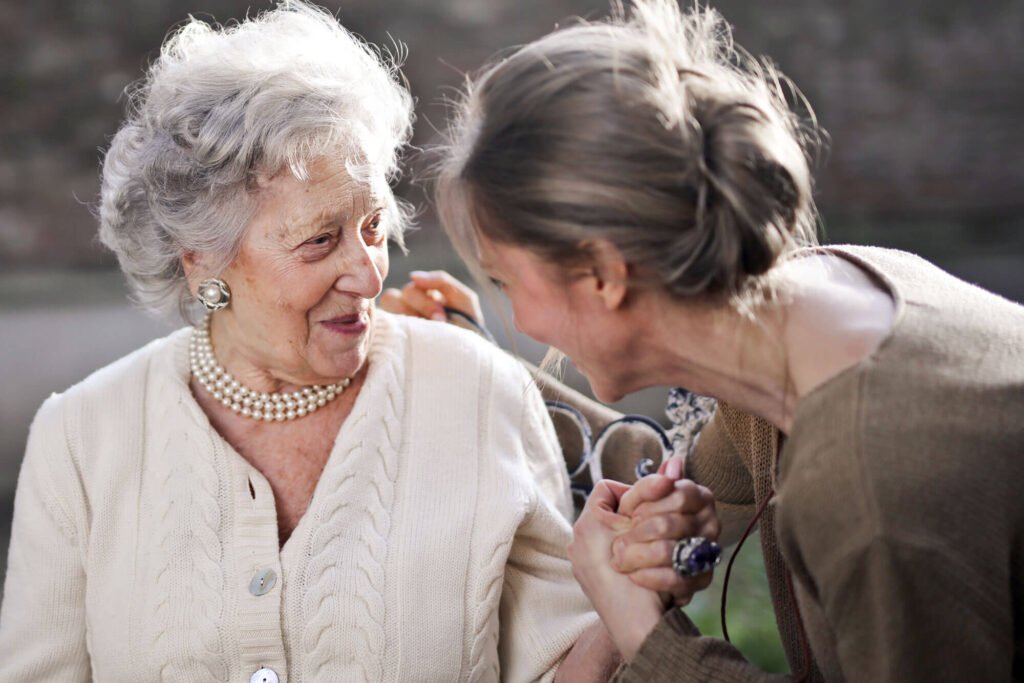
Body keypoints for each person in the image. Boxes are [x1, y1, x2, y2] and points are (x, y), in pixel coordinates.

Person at [0, 3, 699, 680]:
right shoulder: (81, 439)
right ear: (201, 257)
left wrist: (621, 597)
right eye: (319, 241)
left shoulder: (480, 392)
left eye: (372, 226)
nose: (367, 274)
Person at [387, 0, 1024, 680]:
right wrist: (472, 363)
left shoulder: (870, 487)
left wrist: (646, 632)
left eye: (505, 279)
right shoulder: (811, 307)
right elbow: (677, 481)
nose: (525, 319)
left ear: (603, 273)